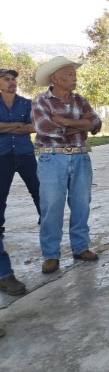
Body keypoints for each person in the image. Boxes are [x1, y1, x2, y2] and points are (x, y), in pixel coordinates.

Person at [31, 56, 102, 274]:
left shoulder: (80, 100)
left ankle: (80, 247)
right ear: (55, 78)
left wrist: (65, 122)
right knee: (52, 206)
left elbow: (96, 124)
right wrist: (82, 125)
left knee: (82, 204)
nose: (74, 77)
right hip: (52, 158)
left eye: (74, 74)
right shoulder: (41, 101)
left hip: (80, 156)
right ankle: (51, 254)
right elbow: (45, 128)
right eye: (69, 74)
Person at [0, 68, 39, 295]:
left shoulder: (27, 103)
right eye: (7, 79)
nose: (12, 82)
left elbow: (35, 126)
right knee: (1, 197)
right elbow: (25, 127)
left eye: (13, 79)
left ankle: (46, 223)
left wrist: (5, 126)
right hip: (2, 156)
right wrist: (18, 126)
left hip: (25, 154)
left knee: (38, 191)